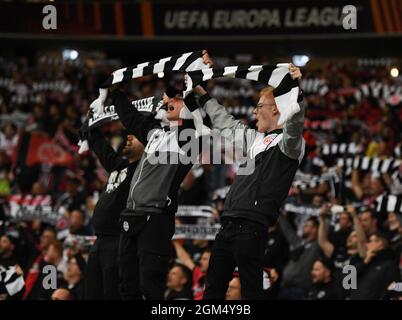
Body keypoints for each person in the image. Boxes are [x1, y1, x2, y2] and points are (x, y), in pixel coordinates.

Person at [194, 53, 304, 299]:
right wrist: (201, 92)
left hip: (252, 226)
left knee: (252, 291)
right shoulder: (254, 139)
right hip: (229, 222)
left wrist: (295, 92)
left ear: (276, 109)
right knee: (213, 290)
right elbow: (224, 121)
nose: (254, 111)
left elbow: (295, 123)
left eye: (259, 106)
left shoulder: (290, 144)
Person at [103, 84, 205, 299]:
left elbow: (195, 115)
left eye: (176, 100)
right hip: (131, 215)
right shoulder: (156, 134)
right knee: (126, 282)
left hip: (156, 218)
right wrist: (117, 94)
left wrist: (193, 84)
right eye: (168, 100)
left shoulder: (191, 139)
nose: (169, 103)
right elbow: (131, 118)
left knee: (151, 283)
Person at [84, 124, 144, 300]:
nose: (129, 138)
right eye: (128, 136)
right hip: (99, 241)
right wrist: (90, 126)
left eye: (135, 137)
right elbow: (101, 147)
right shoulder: (118, 165)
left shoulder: (144, 171)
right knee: (92, 294)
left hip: (119, 241)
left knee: (112, 294)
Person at [278, 216, 321, 300]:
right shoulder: (298, 243)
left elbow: (324, 235)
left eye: (307, 225)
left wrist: (323, 219)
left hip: (300, 290)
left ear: (315, 229)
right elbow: (287, 230)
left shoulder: (317, 246)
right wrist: (280, 214)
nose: (304, 227)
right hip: (284, 287)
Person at [349, 232, 400, 300]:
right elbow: (346, 281)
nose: (367, 244)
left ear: (380, 244)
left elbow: (393, 288)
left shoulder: (389, 264)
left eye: (370, 241)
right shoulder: (360, 260)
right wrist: (364, 262)